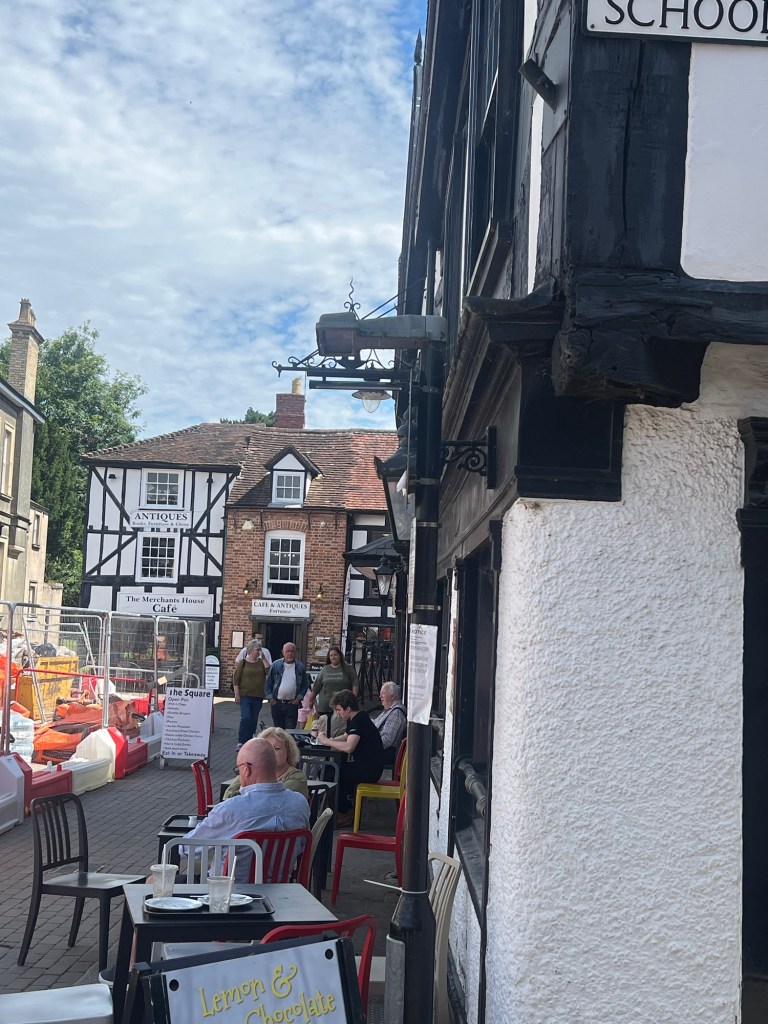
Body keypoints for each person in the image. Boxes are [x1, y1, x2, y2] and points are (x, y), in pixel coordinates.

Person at [182, 737, 309, 883]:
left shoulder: (231, 809)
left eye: (239, 770)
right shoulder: (300, 803)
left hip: (227, 890)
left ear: (247, 769)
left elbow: (187, 848)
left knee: (164, 879)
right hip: (282, 888)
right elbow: (301, 847)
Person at [316, 689, 384, 827]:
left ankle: (344, 811)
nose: (337, 713)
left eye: (339, 710)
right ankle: (343, 808)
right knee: (333, 770)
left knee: (331, 773)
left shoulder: (359, 721)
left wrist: (327, 741)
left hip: (369, 770)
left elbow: (349, 747)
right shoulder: (357, 718)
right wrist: (327, 740)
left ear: (348, 709)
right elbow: (346, 736)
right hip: (365, 765)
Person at [223, 726, 309, 801]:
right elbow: (228, 795)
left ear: (288, 751)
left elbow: (271, 799)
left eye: (276, 748)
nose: (271, 753)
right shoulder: (249, 770)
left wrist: (242, 795)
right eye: (266, 749)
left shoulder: (297, 777)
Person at [309, 647, 358, 736]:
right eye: (331, 655)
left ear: (340, 655)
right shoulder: (325, 669)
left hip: (342, 707)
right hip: (325, 707)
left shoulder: (348, 668)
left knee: (340, 731)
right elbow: (317, 686)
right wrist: (311, 699)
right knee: (325, 730)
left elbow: (355, 683)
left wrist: (353, 699)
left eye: (335, 655)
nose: (333, 657)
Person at [233, 639, 270, 749]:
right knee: (246, 717)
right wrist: (237, 694)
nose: (259, 652)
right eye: (257, 650)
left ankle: (249, 740)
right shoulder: (243, 663)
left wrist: (263, 658)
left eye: (260, 649)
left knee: (254, 719)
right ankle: (241, 740)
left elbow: (268, 671)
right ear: (250, 650)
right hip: (245, 695)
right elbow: (236, 679)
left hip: (258, 695)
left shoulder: (261, 663)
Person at [265, 642, 309, 730]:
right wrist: (271, 698)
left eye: (292, 651)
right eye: (287, 651)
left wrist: (298, 699)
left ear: (295, 652)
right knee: (278, 730)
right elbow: (268, 683)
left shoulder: (300, 667)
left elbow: (305, 685)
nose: (290, 654)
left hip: (292, 705)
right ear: (283, 652)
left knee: (290, 730)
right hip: (277, 703)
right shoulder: (276, 665)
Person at [373, 682, 407, 767]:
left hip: (385, 753)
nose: (380, 696)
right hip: (380, 749)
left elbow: (386, 740)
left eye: (383, 693)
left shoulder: (396, 713)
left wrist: (368, 742)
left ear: (393, 696)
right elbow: (375, 722)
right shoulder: (389, 710)